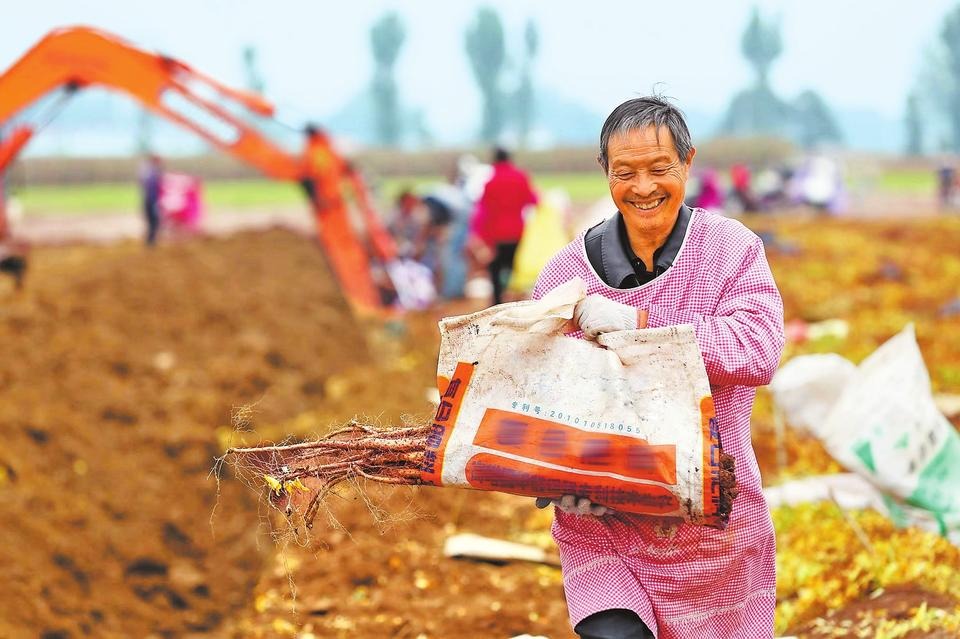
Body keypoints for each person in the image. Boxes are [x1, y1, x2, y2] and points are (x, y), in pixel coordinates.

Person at [532, 96, 785, 638]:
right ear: (605, 171)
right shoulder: (565, 275)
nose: (643, 187)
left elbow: (759, 349)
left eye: (659, 168)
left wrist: (641, 325)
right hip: (604, 525)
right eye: (625, 173)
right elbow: (541, 391)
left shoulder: (731, 251)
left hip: (715, 524)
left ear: (688, 162)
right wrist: (553, 473)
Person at [470, 147, 538, 305]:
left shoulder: (490, 182)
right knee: (511, 267)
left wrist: (479, 233)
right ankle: (512, 301)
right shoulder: (521, 177)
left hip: (496, 234)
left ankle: (497, 302)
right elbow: (533, 200)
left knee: (495, 269)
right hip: (517, 231)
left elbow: (483, 210)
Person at [139, 154, 163, 246]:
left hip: (150, 199)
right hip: (151, 200)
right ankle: (150, 242)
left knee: (153, 221)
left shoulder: (150, 171)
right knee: (154, 221)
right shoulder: (152, 172)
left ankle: (151, 241)